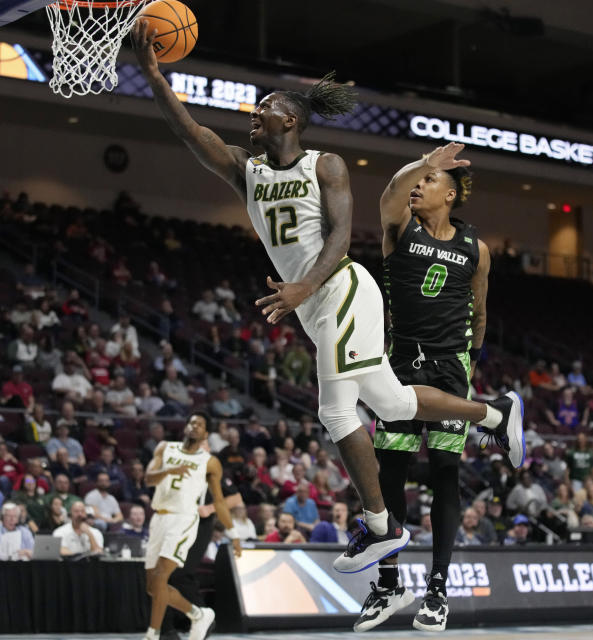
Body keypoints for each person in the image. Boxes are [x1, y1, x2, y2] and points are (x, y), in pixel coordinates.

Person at [132, 25, 520, 578]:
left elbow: (341, 237)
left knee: (335, 411)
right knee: (388, 403)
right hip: (314, 307)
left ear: (289, 120)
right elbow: (192, 132)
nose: (253, 114)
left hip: (342, 288)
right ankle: (495, 412)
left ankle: (382, 529)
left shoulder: (325, 165)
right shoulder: (247, 169)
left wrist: (302, 288)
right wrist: (151, 74)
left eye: (264, 107)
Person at [357, 143, 517, 633]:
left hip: (451, 369)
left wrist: (467, 361)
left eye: (427, 184)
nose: (417, 188)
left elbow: (481, 312)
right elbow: (389, 192)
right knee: (392, 469)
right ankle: (388, 582)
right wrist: (424, 164)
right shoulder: (398, 230)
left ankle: (438, 588)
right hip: (401, 365)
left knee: (446, 471)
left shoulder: (477, 248)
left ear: (449, 195)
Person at [139, 412, 241, 640]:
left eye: (200, 425)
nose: (194, 426)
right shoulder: (165, 448)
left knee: (162, 576)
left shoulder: (210, 462)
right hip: (159, 517)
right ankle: (198, 614)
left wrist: (232, 534)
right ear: (185, 426)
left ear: (206, 434)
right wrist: (169, 471)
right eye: (192, 422)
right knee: (152, 587)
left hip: (184, 518)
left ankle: (152, 634)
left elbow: (221, 501)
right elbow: (148, 479)